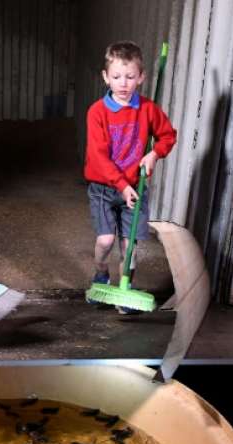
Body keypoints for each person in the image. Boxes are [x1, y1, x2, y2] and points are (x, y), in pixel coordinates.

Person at [83, 40, 177, 314]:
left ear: (141, 77)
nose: (123, 83)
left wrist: (155, 154)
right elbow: (99, 157)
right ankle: (101, 274)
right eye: (116, 77)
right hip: (104, 188)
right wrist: (122, 185)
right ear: (106, 77)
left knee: (129, 246)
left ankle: (125, 290)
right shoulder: (97, 112)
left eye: (130, 76)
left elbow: (168, 136)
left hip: (136, 187)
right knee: (105, 241)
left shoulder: (148, 109)